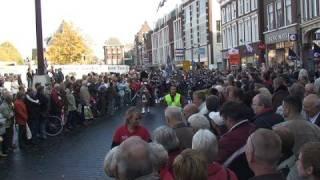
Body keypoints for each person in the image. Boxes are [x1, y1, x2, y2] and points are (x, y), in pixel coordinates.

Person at [217, 101, 256, 180]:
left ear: (229, 119)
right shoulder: (254, 128)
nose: (224, 123)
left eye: (224, 119)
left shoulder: (227, 140)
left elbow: (218, 165)